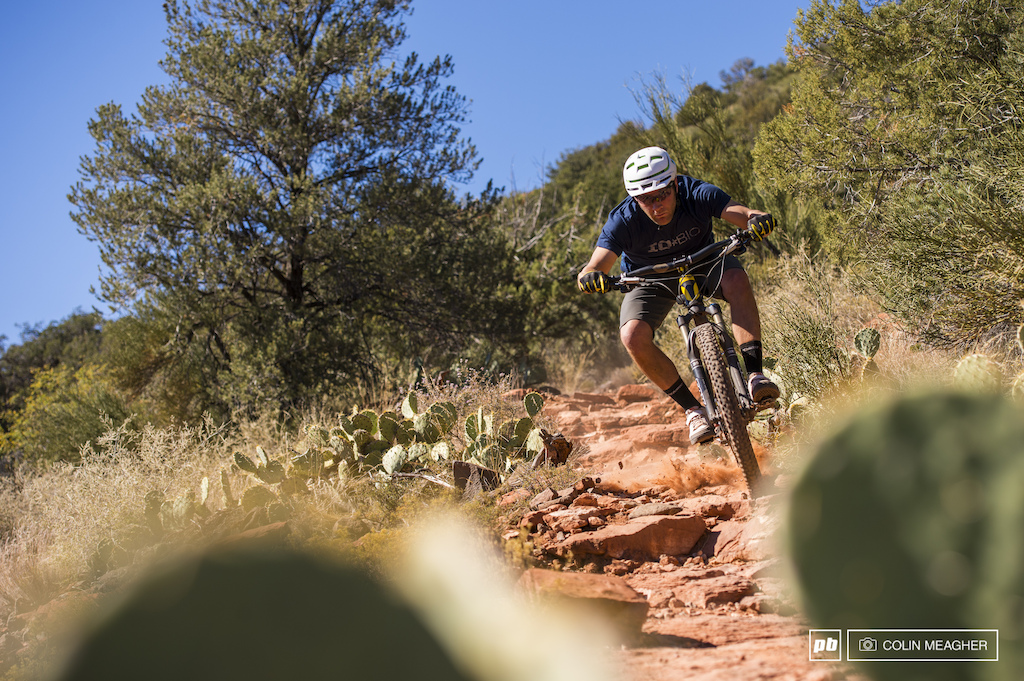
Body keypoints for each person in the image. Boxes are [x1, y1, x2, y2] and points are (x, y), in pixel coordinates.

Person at [576, 146, 779, 445]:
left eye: (662, 194)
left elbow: (744, 214)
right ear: (635, 198)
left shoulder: (696, 192)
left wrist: (756, 220)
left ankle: (755, 376)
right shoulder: (623, 220)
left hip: (704, 262)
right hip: (650, 279)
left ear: (674, 185)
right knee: (632, 335)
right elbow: (594, 265)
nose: (656, 204)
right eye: (646, 199)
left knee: (736, 278)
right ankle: (693, 410)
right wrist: (590, 277)